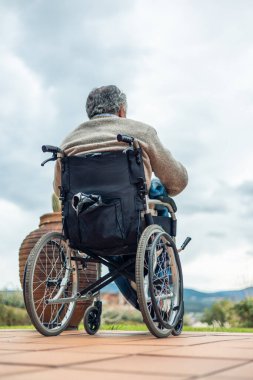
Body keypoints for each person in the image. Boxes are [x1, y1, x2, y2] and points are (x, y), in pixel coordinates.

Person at [53, 85, 188, 196]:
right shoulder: (142, 132)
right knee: (157, 192)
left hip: (82, 223)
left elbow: (59, 192)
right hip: (133, 222)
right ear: (122, 110)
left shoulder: (68, 144)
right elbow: (177, 181)